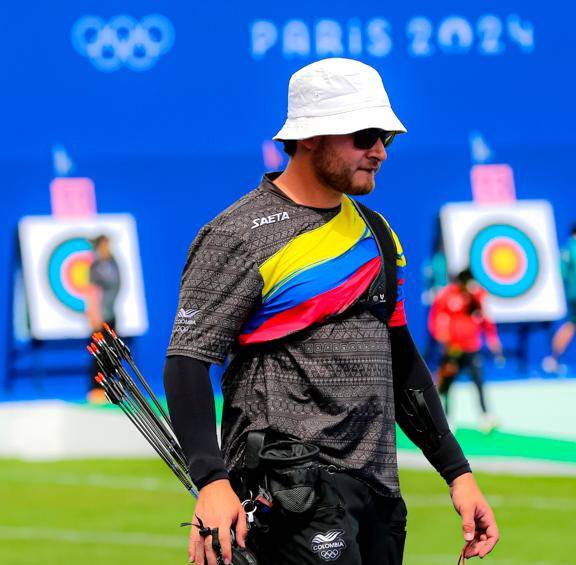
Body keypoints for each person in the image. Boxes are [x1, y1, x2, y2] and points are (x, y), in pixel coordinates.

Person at [164, 58, 499, 565]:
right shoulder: (238, 235)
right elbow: (187, 362)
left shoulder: (378, 233)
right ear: (311, 136)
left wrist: (458, 473)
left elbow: (402, 362)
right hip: (290, 488)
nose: (380, 151)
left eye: (386, 136)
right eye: (365, 135)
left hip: (378, 490)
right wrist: (211, 480)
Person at [428, 269, 503, 432]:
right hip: (453, 349)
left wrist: (492, 339)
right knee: (447, 384)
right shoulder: (447, 295)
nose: (469, 286)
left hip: (472, 348)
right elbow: (435, 319)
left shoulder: (476, 296)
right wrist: (442, 336)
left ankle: (485, 416)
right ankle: (446, 418)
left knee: (479, 382)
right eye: (466, 283)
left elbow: (486, 318)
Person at [86, 234, 120, 402]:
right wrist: (93, 313)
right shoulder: (96, 265)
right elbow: (92, 291)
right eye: (105, 245)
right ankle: (96, 389)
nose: (107, 248)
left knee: (112, 352)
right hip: (100, 316)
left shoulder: (113, 263)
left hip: (111, 315)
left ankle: (109, 387)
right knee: (99, 352)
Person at [543, 224, 576, 373]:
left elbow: (561, 274)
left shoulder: (566, 248)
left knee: (570, 325)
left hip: (571, 294)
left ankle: (553, 359)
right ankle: (553, 360)